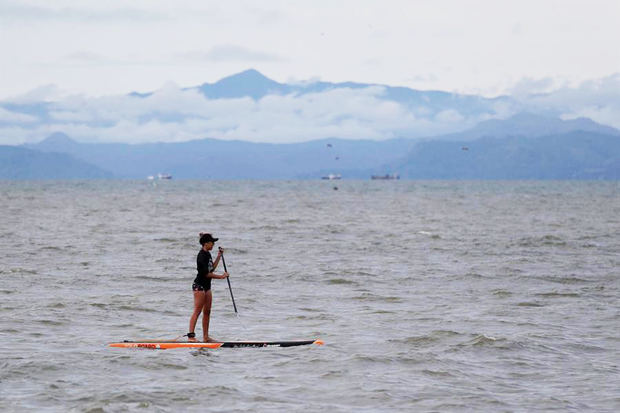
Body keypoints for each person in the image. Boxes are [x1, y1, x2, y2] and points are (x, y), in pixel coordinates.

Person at [188, 232, 229, 342]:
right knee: (197, 311)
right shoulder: (201, 256)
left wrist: (219, 256)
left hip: (207, 287)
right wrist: (221, 277)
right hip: (199, 286)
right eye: (212, 243)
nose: (213, 245)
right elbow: (206, 274)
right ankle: (191, 336)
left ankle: (206, 337)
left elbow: (211, 269)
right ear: (206, 244)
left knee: (207, 312)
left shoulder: (208, 254)